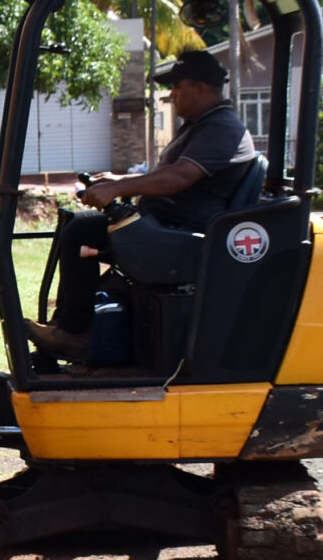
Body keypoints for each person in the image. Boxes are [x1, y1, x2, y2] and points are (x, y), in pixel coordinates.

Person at [29, 49, 261, 359]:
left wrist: (117, 188)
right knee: (77, 226)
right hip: (170, 223)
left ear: (201, 87)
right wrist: (117, 180)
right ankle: (75, 327)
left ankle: (74, 333)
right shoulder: (203, 124)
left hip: (185, 234)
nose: (171, 94)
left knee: (81, 231)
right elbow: (170, 173)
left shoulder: (221, 128)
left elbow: (180, 176)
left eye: (177, 86)